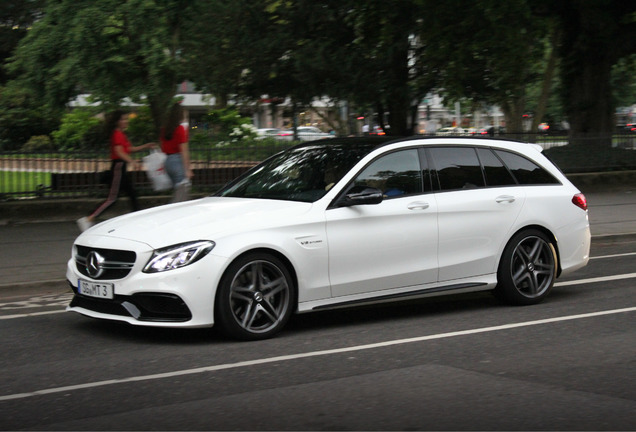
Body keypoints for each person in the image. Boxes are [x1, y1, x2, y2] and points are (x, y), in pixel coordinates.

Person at [77, 110, 156, 231]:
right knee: (112, 198)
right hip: (118, 167)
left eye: (126, 119)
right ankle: (89, 219)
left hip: (121, 167)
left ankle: (138, 220)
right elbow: (119, 152)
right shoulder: (117, 134)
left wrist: (145, 146)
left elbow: (129, 149)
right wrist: (132, 162)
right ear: (117, 122)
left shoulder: (121, 134)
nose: (126, 122)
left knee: (132, 194)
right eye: (123, 119)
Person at [160, 102, 193, 202]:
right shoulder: (180, 129)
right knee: (181, 196)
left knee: (179, 191)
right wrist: (187, 169)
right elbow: (184, 151)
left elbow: (162, 147)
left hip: (168, 161)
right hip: (178, 161)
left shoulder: (164, 130)